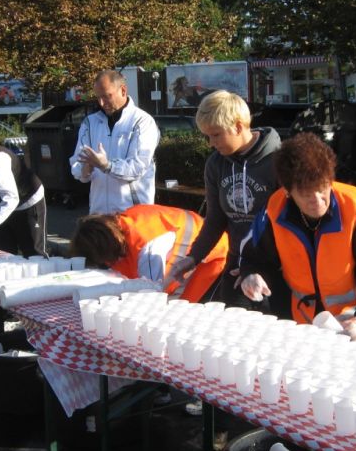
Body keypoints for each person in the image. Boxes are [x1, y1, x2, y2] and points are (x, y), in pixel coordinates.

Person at [239, 132, 356, 346]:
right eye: (305, 193)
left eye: (322, 188)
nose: (317, 200)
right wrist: (251, 275)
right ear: (287, 191)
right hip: (305, 324)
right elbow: (253, 257)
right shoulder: (274, 210)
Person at [165, 90, 282, 308]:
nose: (210, 143)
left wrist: (258, 268)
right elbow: (215, 219)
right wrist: (193, 258)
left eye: (216, 135)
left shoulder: (278, 160)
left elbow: (289, 225)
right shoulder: (216, 164)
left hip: (275, 270)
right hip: (236, 263)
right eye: (207, 136)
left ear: (238, 126)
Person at [69, 204, 229, 303]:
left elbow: (152, 294)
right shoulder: (121, 225)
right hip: (193, 247)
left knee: (181, 313)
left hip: (213, 256)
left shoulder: (148, 251)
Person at [70, 70, 160, 215]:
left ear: (123, 91)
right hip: (99, 214)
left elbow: (138, 167)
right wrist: (86, 167)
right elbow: (77, 167)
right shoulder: (90, 123)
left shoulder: (142, 121)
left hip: (133, 215)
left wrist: (107, 165)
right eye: (98, 97)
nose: (101, 103)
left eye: (106, 96)